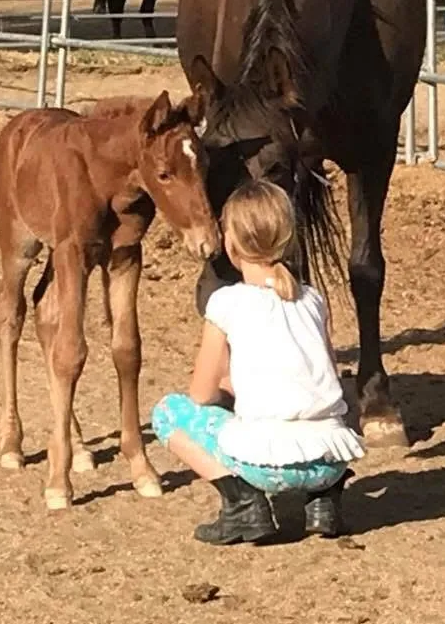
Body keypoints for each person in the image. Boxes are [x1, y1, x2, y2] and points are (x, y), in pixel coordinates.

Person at [151, 179, 365, 545]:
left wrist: (229, 388)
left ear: (230, 241)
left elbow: (200, 394)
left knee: (169, 413)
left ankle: (243, 504)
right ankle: (323, 501)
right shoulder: (313, 299)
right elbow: (324, 373)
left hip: (269, 465)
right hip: (331, 459)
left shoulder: (226, 302)